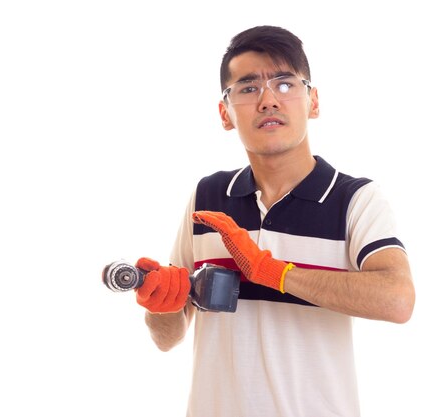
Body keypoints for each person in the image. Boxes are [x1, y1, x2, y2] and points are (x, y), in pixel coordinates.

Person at [133, 25, 415, 417]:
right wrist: (160, 304)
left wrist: (274, 272)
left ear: (313, 101)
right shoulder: (207, 198)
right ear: (225, 113)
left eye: (284, 84)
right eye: (247, 88)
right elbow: (168, 338)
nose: (267, 100)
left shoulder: (355, 200)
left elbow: (398, 300)